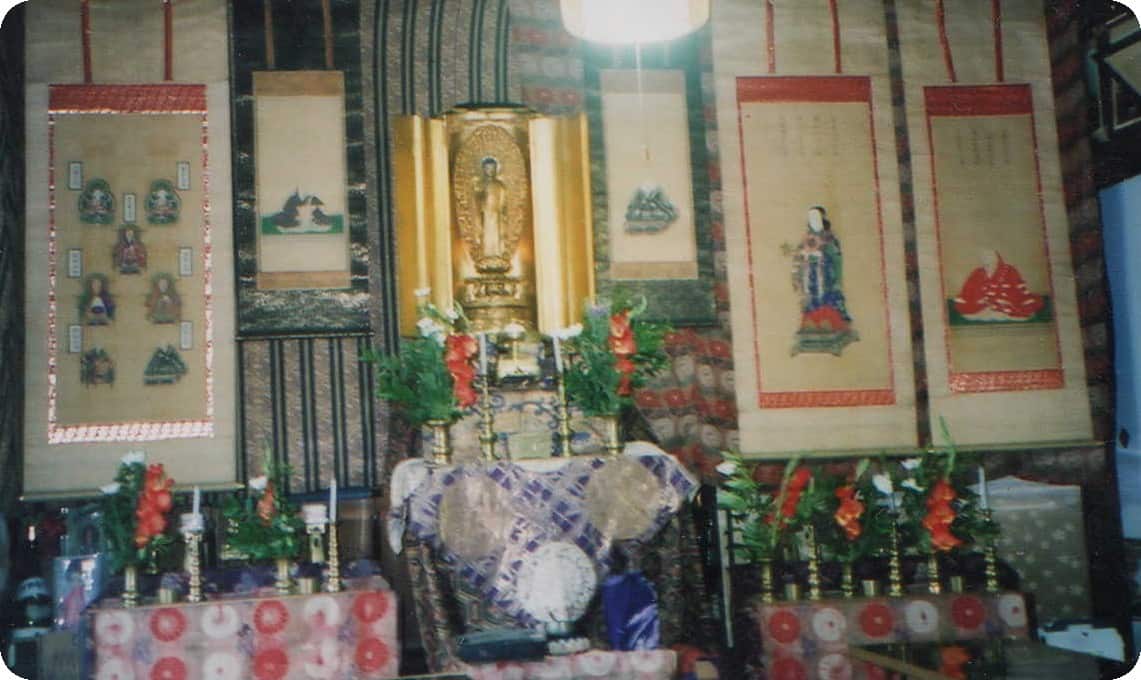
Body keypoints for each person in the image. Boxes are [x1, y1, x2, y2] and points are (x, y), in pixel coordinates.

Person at [791, 206, 852, 333]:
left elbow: (836, 256)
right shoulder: (807, 237)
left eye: (816, 217)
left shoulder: (829, 237)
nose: (814, 220)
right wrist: (802, 258)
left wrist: (823, 255)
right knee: (811, 298)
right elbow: (799, 255)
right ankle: (812, 325)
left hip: (826, 273)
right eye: (811, 218)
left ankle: (832, 325)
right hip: (810, 273)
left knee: (827, 297)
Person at [953, 249, 1045, 321]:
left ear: (997, 258)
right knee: (969, 308)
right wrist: (981, 300)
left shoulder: (1009, 270)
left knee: (1023, 307)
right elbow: (968, 291)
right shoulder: (977, 272)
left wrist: (1003, 300)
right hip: (982, 306)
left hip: (1006, 304)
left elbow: (1018, 292)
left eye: (990, 257)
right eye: (984, 257)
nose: (987, 259)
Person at [475, 157, 507, 264]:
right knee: (487, 233)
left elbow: (503, 200)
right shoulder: (480, 185)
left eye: (492, 168)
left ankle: (497, 254)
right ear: (483, 170)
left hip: (497, 213)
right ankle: (486, 254)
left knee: (497, 233)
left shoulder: (500, 185)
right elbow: (477, 201)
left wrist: (502, 212)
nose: (490, 171)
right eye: (488, 168)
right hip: (486, 213)